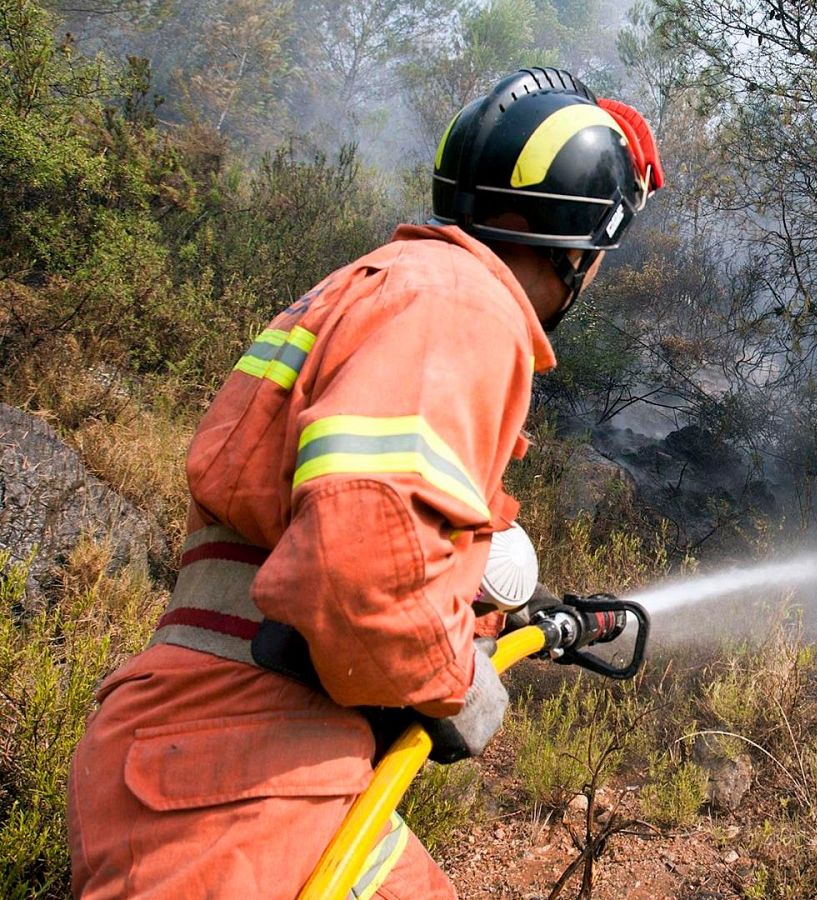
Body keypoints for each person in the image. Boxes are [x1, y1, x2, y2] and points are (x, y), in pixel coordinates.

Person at [66, 66, 664, 899]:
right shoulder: (461, 303)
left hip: (220, 756)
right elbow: (360, 563)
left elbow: (332, 537)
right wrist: (453, 679)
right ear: (581, 244)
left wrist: (462, 610)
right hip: (241, 775)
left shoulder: (390, 284)